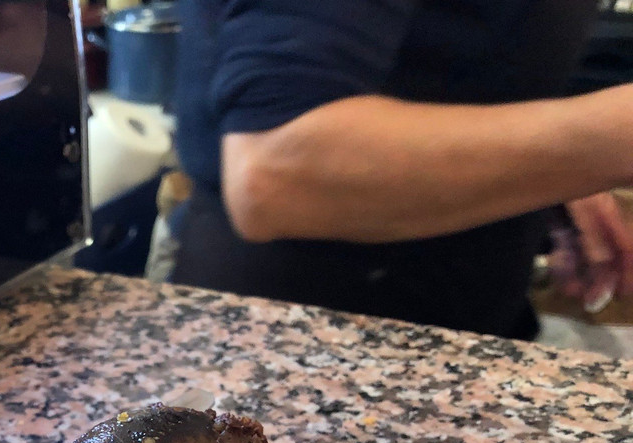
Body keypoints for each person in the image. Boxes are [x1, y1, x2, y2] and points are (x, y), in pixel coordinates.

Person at [169, 0, 633, 339]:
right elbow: (279, 167)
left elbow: (440, 52)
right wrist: (601, 141)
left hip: (449, 342)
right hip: (296, 353)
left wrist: (551, 171)